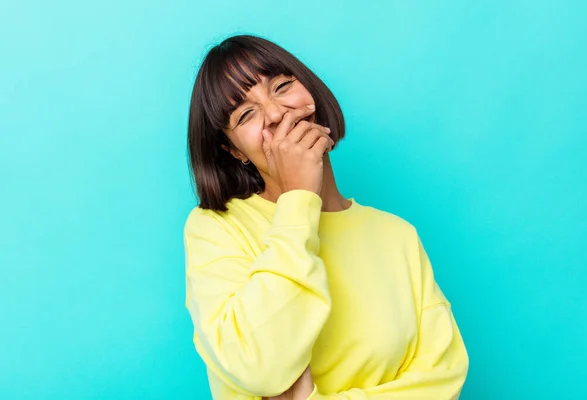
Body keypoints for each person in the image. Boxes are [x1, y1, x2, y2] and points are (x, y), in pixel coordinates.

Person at [184, 34, 469, 400]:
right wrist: (298, 200)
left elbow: (443, 379)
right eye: (246, 115)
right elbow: (257, 366)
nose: (275, 114)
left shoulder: (398, 236)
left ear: (311, 94)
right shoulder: (216, 229)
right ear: (234, 150)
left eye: (283, 86)